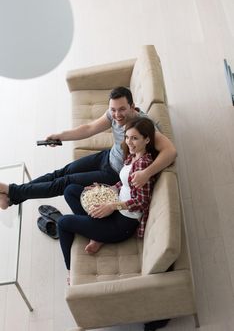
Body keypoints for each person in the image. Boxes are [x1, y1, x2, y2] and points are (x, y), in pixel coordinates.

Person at [0, 87, 176, 210]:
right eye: (113, 110)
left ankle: (11, 190)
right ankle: (12, 198)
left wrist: (146, 173)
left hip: (115, 174)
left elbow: (170, 151)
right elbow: (90, 128)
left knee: (64, 182)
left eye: (122, 109)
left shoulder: (144, 126)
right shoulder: (113, 114)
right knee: (61, 172)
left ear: (132, 106)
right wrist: (61, 135)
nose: (117, 115)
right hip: (107, 157)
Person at [58, 117, 158, 282]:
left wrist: (112, 206)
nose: (129, 142)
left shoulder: (143, 166)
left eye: (135, 138)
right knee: (71, 190)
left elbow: (143, 202)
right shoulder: (132, 156)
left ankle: (70, 270)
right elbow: (124, 182)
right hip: (115, 207)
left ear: (147, 139)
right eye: (127, 137)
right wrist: (105, 189)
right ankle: (97, 234)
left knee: (63, 223)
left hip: (122, 224)